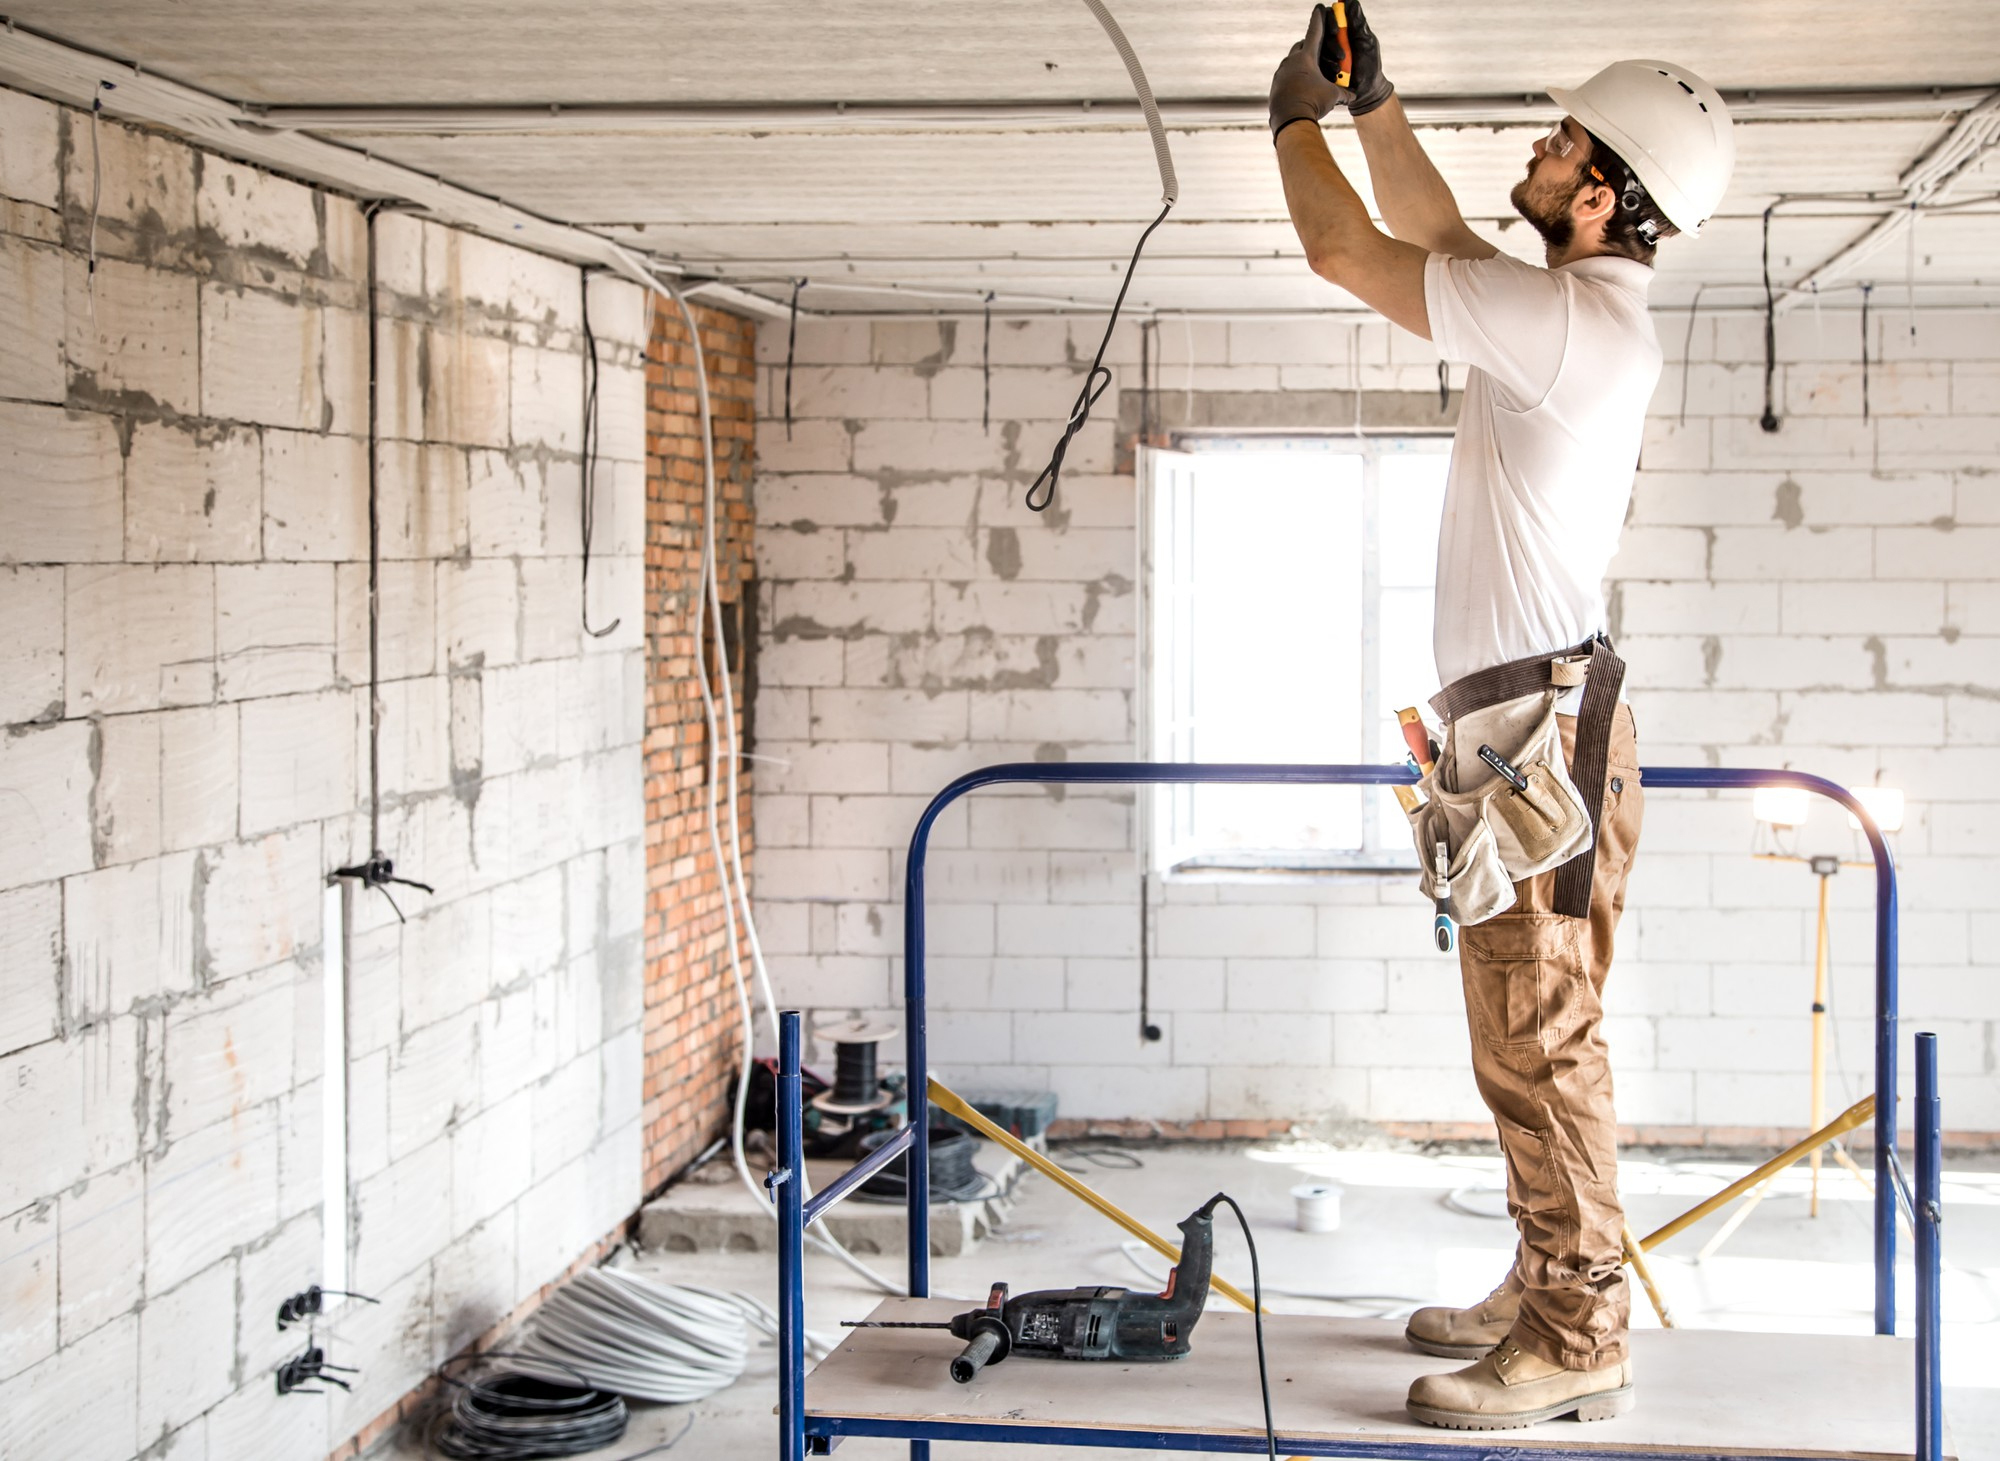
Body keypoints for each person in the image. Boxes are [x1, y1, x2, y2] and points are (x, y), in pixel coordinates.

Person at [1267, 2, 1735, 1432]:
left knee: (1541, 1040)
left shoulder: (1572, 330)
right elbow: (1439, 239)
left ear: (1598, 196)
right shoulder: (1567, 318)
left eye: (1559, 142)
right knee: (1529, 1034)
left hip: (1538, 735)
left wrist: (1291, 115)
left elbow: (1348, 250)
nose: (1535, 148)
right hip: (1531, 728)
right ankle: (1546, 1283)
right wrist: (1373, 104)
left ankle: (1579, 1331)